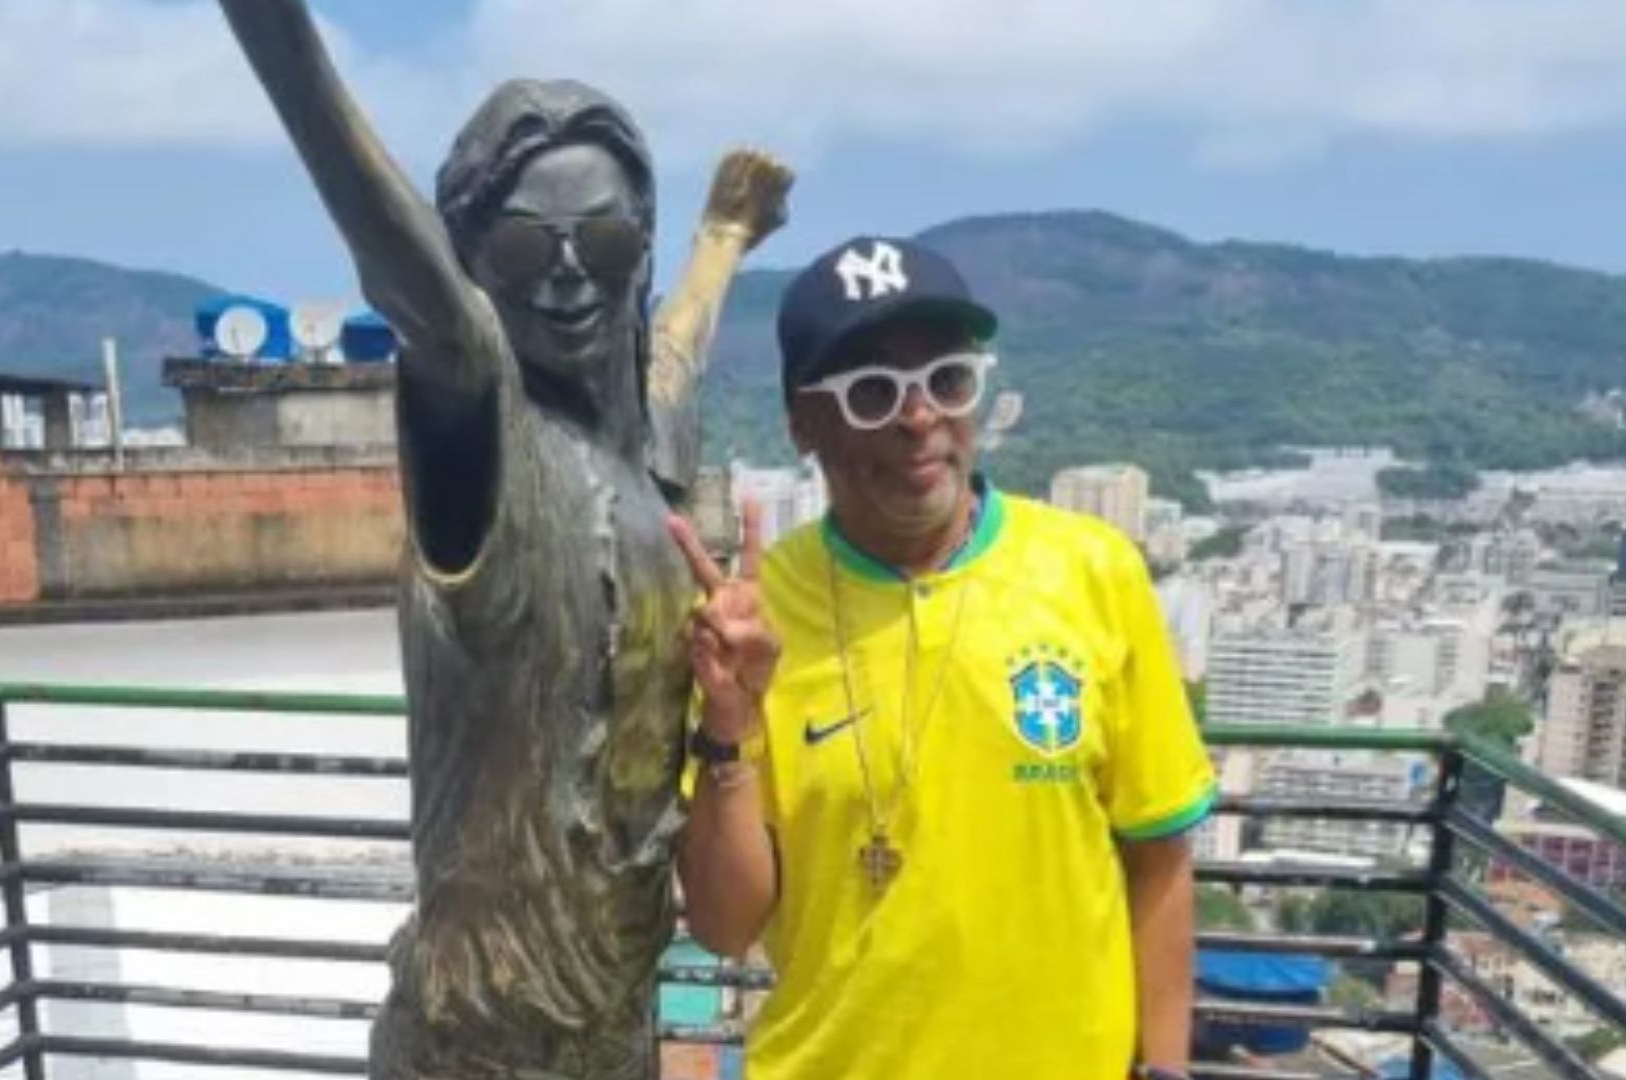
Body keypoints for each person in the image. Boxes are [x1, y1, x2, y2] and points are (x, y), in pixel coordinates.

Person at [220, 3, 790, 1077]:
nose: (571, 271)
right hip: (472, 1050)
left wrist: (723, 239)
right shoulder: (491, 434)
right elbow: (417, 289)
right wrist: (277, 39)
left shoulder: (640, 453)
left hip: (616, 1028)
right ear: (475, 258)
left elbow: (674, 355)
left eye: (609, 239)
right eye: (528, 243)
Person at [669, 235, 1216, 1080]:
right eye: (872, 393)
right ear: (801, 421)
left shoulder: (1093, 572)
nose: (919, 418)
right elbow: (724, 925)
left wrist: (1167, 1071)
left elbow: (1159, 859)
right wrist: (730, 724)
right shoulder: (751, 620)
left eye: (948, 380)